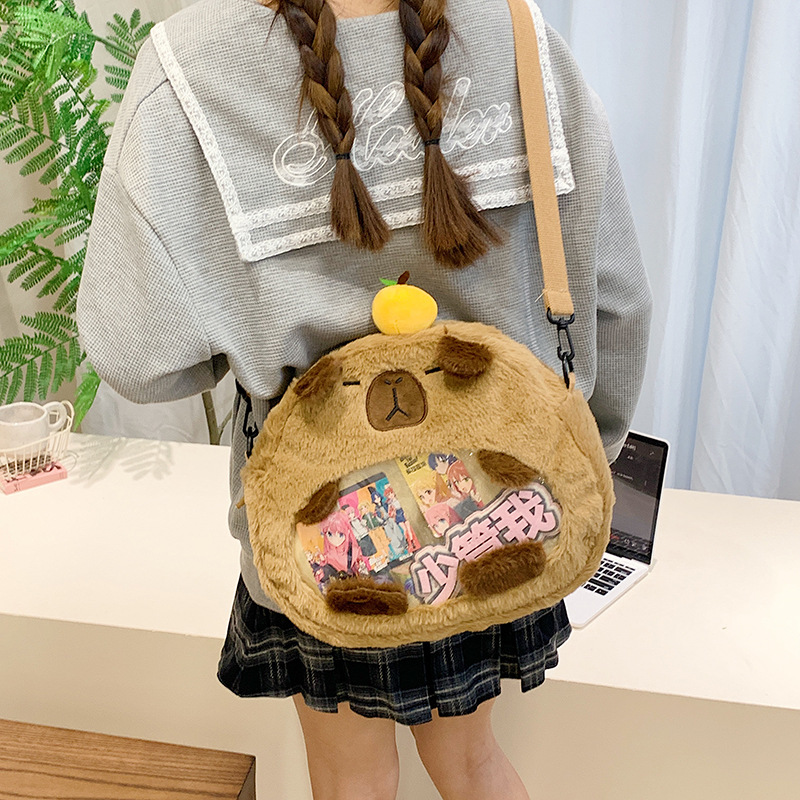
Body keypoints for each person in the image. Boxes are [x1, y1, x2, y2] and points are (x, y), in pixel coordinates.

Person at [75, 0, 652, 796]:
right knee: (474, 764)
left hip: (322, 533)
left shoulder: (188, 65)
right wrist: (578, 456)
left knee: (352, 780)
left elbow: (137, 356)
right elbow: (616, 303)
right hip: (495, 507)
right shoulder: (521, 36)